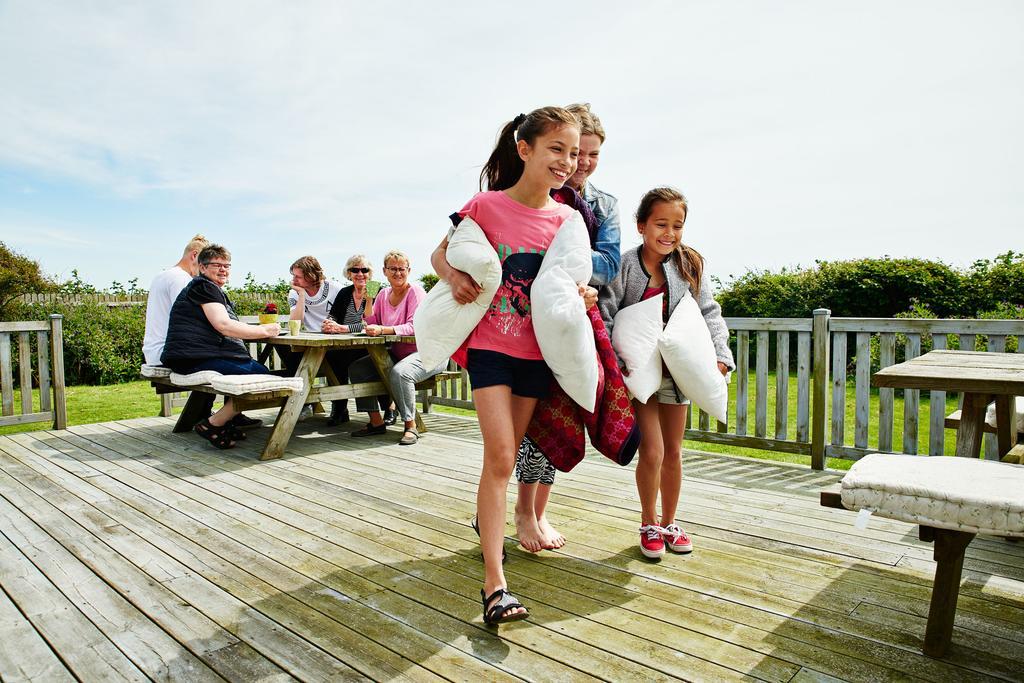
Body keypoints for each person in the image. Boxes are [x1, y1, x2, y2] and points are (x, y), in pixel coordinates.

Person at [431, 106, 589, 625]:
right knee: (500, 457)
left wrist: (584, 295)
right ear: (525, 150)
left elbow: (574, 280)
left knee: (509, 455)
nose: (566, 162)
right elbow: (440, 253)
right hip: (491, 348)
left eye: (572, 152)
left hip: (537, 354)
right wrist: (453, 277)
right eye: (556, 150)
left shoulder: (568, 219)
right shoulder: (486, 205)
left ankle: (492, 532)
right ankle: (495, 585)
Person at [598, 188, 734, 559]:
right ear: (641, 225)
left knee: (674, 450)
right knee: (653, 450)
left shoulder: (689, 265)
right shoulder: (624, 266)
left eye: (677, 225)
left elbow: (709, 312)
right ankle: (648, 522)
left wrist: (721, 356)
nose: (669, 233)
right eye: (661, 224)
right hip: (642, 374)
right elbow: (606, 313)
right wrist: (616, 362)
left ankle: (671, 522)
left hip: (678, 371)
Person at [514, 103, 622, 553]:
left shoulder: (602, 204)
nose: (582, 163)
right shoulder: (540, 190)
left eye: (592, 154)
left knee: (563, 418)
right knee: (533, 421)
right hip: (528, 321)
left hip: (579, 318)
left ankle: (538, 511)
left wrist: (568, 267)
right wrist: (563, 265)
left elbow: (609, 261)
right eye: (579, 152)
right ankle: (521, 509)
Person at [161, 244, 280, 449]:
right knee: (264, 378)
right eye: (217, 264)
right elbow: (223, 325)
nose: (223, 269)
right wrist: (266, 331)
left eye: (227, 265)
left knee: (253, 371)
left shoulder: (204, 288)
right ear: (202, 267)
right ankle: (213, 424)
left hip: (190, 356)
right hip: (193, 358)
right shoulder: (204, 287)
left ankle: (227, 420)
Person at [347, 250, 445, 445]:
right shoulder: (382, 294)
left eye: (402, 269)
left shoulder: (415, 292)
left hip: (429, 354)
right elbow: (371, 321)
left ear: (409, 270)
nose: (398, 273)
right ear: (384, 271)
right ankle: (376, 422)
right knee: (357, 368)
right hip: (399, 354)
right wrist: (368, 300)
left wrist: (383, 329)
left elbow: (414, 327)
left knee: (400, 373)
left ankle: (410, 426)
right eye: (393, 268)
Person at [320, 254, 376, 425]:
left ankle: (387, 409)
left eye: (364, 270)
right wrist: (330, 323)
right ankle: (339, 407)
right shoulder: (345, 292)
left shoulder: (375, 289)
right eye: (355, 270)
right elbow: (334, 315)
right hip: (345, 345)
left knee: (360, 363)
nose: (360, 274)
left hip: (370, 344)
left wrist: (343, 328)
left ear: (370, 273)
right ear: (349, 273)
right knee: (330, 358)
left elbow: (372, 323)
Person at [143, 234, 209, 366]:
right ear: (194, 255)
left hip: (153, 353)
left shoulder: (161, 275)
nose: (203, 270)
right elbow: (189, 318)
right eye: (203, 264)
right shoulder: (181, 278)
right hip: (168, 353)